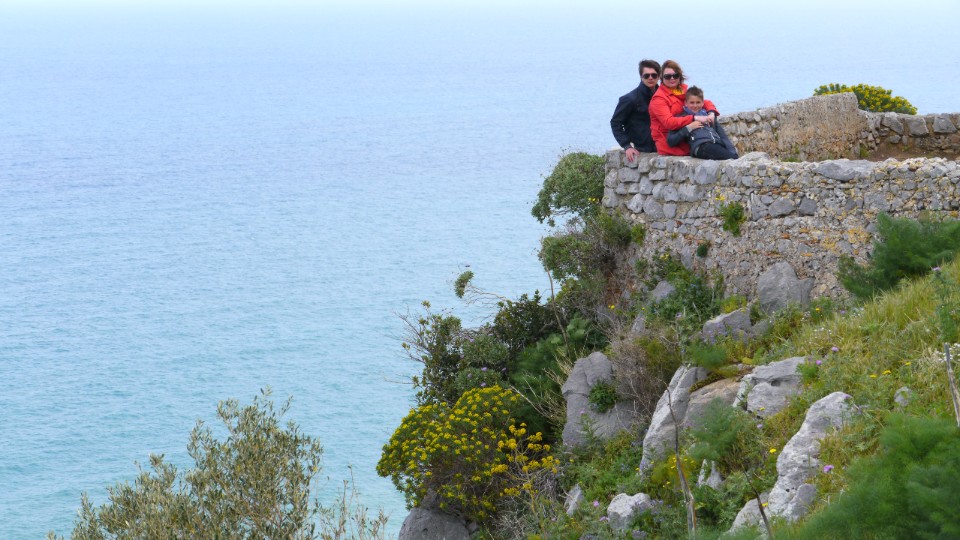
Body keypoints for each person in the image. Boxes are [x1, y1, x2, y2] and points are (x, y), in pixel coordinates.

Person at [649, 60, 719, 156]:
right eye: (668, 76)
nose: (672, 78)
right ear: (662, 78)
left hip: (688, 139)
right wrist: (694, 118)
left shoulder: (682, 91)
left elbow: (704, 102)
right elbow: (669, 122)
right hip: (672, 143)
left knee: (716, 131)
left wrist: (711, 112)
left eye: (675, 75)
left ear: (680, 76)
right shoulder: (659, 99)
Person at [666, 86, 738, 160]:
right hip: (701, 146)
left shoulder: (708, 116)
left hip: (716, 144)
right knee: (729, 157)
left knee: (733, 158)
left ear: (703, 103)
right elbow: (671, 141)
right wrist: (688, 128)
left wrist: (734, 153)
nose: (695, 106)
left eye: (698, 102)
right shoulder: (681, 118)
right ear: (686, 103)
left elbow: (723, 136)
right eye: (692, 103)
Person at [610, 59, 661, 163]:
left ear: (659, 76)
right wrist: (627, 146)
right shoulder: (629, 99)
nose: (650, 78)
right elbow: (615, 123)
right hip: (641, 150)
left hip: (660, 149)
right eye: (646, 75)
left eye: (654, 75)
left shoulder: (663, 98)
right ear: (641, 77)